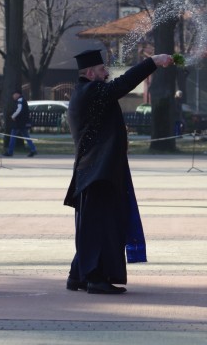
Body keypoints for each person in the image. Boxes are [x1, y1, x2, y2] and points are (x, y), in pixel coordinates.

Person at [64, 49, 173, 295]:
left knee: (93, 226)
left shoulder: (86, 92)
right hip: (97, 173)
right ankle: (95, 278)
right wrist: (152, 62)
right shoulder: (91, 91)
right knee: (102, 227)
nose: (107, 74)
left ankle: (77, 275)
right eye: (102, 70)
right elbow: (122, 85)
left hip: (95, 172)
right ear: (90, 73)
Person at [3, 90, 37, 157]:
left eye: (14, 94)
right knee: (26, 136)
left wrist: (13, 116)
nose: (13, 96)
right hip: (23, 122)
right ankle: (33, 150)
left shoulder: (20, 100)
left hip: (18, 123)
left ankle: (10, 152)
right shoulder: (22, 100)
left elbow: (19, 109)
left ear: (17, 94)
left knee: (13, 136)